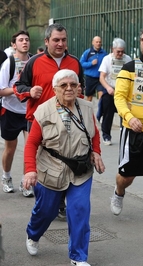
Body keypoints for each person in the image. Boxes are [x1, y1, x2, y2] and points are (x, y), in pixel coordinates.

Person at [23, 69, 104, 266]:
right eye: (64, 85)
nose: (69, 88)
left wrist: (96, 151)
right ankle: (33, 234)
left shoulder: (86, 107)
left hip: (80, 170)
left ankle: (78, 257)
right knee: (46, 212)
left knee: (79, 211)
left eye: (73, 85)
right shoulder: (43, 110)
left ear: (78, 88)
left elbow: (93, 133)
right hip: (51, 169)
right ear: (55, 89)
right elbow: (31, 144)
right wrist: (30, 169)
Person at [14, 23, 85, 219]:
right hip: (39, 120)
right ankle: (44, 203)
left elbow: (82, 90)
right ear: (47, 41)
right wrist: (30, 91)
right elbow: (18, 86)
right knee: (40, 165)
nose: (60, 44)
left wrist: (80, 93)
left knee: (64, 163)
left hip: (67, 120)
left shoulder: (75, 63)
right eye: (56, 40)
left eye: (63, 40)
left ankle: (59, 204)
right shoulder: (34, 62)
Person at [111, 26, 143, 234]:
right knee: (127, 176)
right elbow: (119, 98)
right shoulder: (129, 68)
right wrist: (129, 117)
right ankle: (118, 191)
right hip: (133, 131)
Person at [0, 30, 33, 196]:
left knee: (30, 147)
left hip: (29, 111)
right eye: (21, 40)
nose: (25, 42)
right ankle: (6, 177)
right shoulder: (9, 63)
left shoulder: (34, 62)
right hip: (11, 111)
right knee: (10, 148)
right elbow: (1, 90)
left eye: (27, 39)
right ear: (14, 45)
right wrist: (17, 90)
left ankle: (25, 182)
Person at [98, 38, 132, 145]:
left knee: (125, 114)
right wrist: (108, 88)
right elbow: (102, 77)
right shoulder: (107, 59)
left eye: (122, 51)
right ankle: (106, 136)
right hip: (110, 90)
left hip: (123, 92)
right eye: (118, 51)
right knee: (108, 114)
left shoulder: (127, 59)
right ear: (113, 49)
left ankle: (124, 135)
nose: (120, 54)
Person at [80, 36, 107, 102]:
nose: (98, 43)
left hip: (100, 78)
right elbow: (81, 63)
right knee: (89, 98)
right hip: (90, 78)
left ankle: (100, 111)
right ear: (93, 43)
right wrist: (91, 63)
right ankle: (88, 111)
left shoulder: (104, 53)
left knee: (102, 96)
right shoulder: (88, 52)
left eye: (100, 42)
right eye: (97, 42)